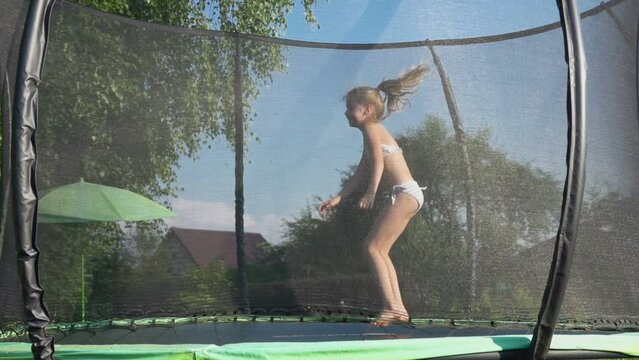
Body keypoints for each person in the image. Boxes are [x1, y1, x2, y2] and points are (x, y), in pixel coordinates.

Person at [319, 64, 429, 327]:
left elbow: (378, 165)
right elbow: (361, 171)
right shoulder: (371, 133)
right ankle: (398, 308)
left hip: (405, 194)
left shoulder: (372, 129)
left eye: (350, 107)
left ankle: (392, 307)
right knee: (380, 249)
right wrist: (339, 197)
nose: (346, 112)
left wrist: (370, 193)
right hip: (410, 194)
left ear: (366, 111)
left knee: (371, 247)